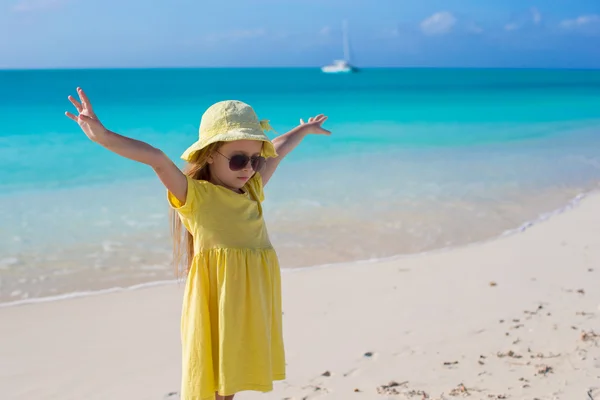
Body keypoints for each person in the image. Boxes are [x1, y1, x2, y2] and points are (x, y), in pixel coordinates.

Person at [65, 87, 331, 400]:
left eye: (255, 160)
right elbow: (157, 159)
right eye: (238, 160)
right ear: (209, 156)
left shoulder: (252, 188)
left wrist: (302, 129)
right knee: (217, 376)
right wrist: (103, 136)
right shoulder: (196, 196)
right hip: (218, 295)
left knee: (234, 372)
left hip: (253, 292)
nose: (248, 168)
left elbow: (278, 149)